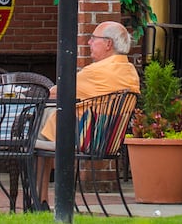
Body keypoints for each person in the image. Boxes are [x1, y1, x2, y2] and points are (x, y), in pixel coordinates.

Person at [35, 21, 142, 198]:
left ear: (108, 44)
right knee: (47, 121)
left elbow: (54, 93)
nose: (89, 43)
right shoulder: (129, 71)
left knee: (32, 135)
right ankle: (42, 201)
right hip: (108, 140)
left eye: (93, 38)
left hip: (84, 139)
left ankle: (40, 200)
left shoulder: (96, 72)